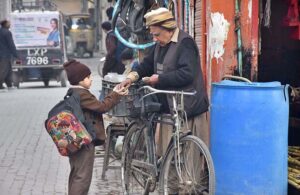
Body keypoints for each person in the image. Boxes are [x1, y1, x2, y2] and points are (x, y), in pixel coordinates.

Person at [119, 7, 210, 156]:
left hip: (188, 108)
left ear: (168, 29)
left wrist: (159, 79)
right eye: (153, 35)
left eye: (157, 35)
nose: (154, 39)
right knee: (167, 156)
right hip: (169, 107)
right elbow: (147, 65)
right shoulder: (160, 44)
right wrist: (131, 77)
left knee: (189, 160)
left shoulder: (185, 43)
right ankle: (167, 179)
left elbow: (187, 74)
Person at [63, 59, 128, 195]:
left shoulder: (72, 93)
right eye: (88, 77)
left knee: (76, 173)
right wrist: (115, 94)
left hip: (75, 141)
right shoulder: (82, 94)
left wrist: (113, 93)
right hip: (84, 142)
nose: (91, 79)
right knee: (82, 177)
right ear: (79, 79)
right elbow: (102, 107)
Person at [0, 20, 18, 90]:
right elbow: (11, 44)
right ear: (5, 24)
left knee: (8, 70)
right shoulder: (7, 33)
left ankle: (9, 85)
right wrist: (16, 54)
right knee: (4, 70)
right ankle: (0, 86)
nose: (10, 24)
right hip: (5, 55)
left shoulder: (1, 31)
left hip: (2, 54)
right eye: (9, 23)